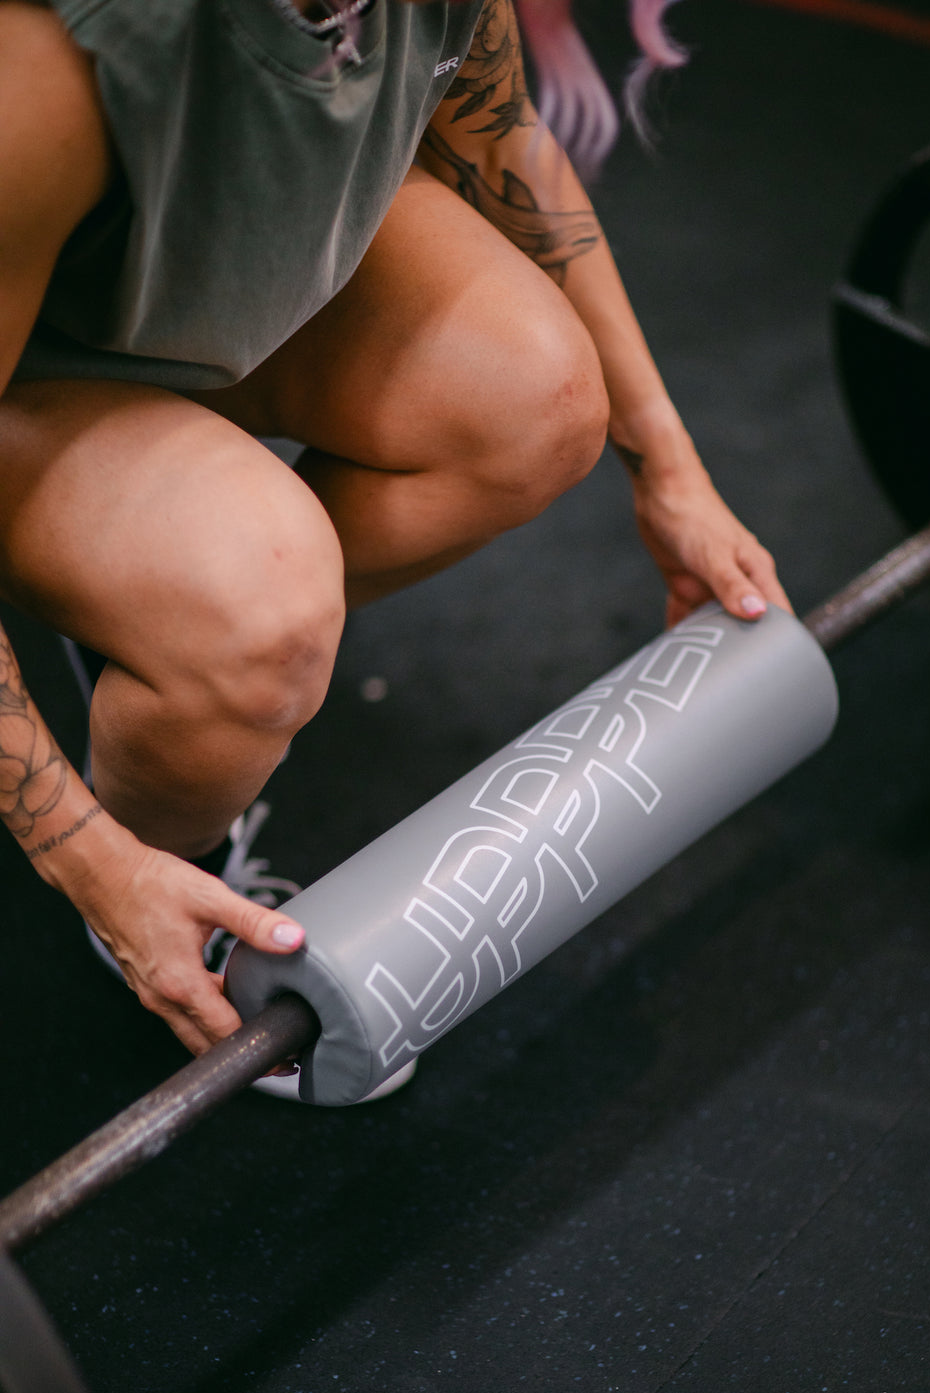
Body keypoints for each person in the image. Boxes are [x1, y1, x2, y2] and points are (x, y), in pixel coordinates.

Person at [0, 0, 790, 1076]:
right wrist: (97, 861)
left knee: (542, 400)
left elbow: (508, 147)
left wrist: (673, 477)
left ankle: (163, 628)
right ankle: (174, 833)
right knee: (254, 609)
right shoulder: (41, 70)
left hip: (166, 294)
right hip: (31, 369)